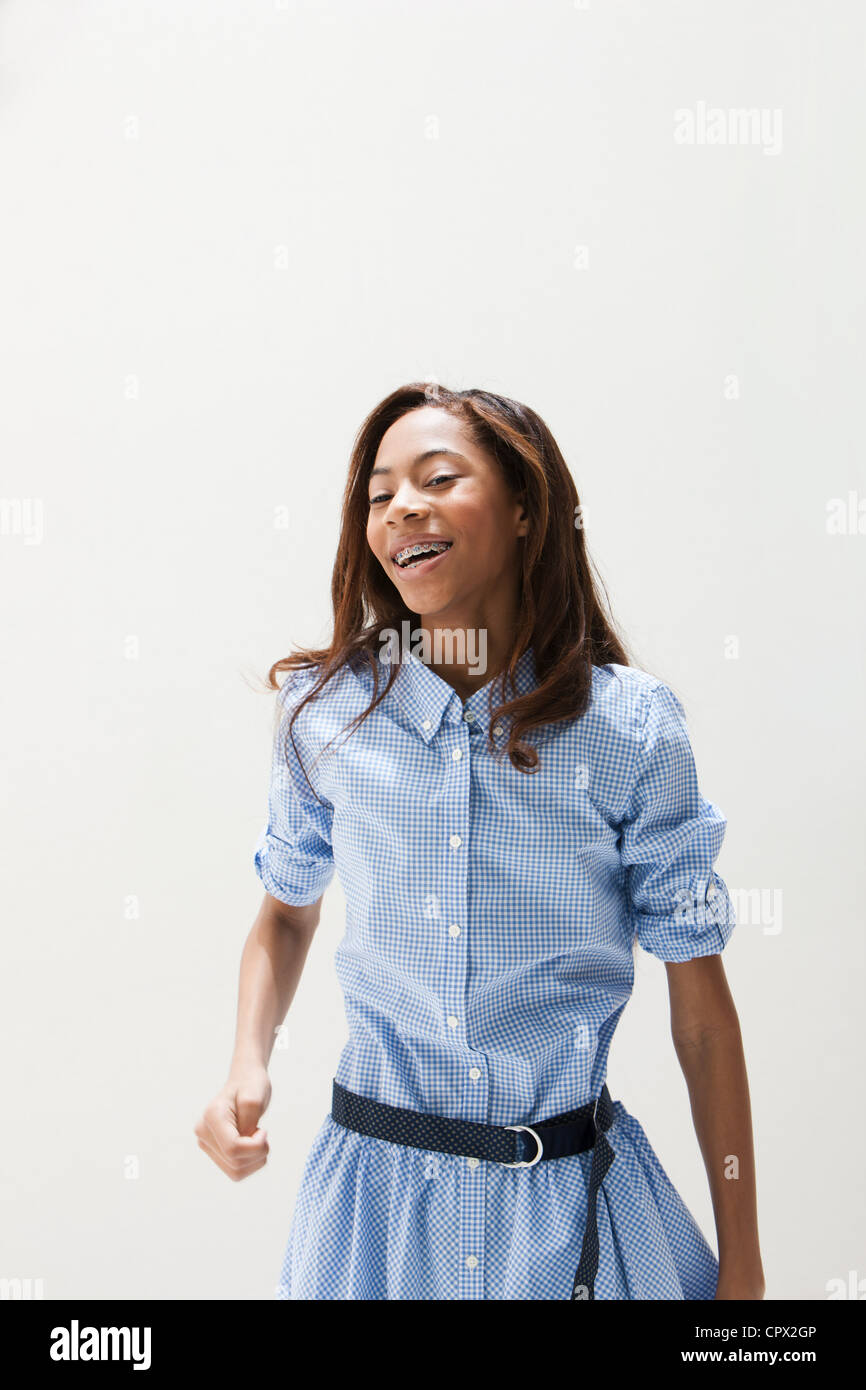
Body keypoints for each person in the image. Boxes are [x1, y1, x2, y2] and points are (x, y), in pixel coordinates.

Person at [194, 382, 765, 1301]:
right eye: (379, 495)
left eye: (438, 478)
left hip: (571, 1215)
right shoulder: (326, 714)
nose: (401, 507)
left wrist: (744, 1261)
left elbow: (700, 1012)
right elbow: (287, 914)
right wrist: (245, 1065)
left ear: (528, 510)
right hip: (374, 1219)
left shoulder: (629, 729)